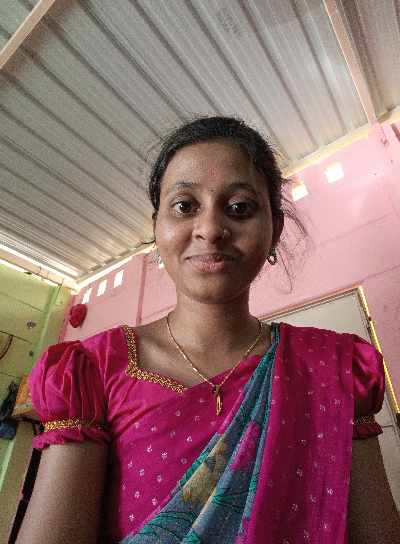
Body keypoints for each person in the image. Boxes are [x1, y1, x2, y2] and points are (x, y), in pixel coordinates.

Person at [18, 117, 399, 543]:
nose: (211, 229)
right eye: (185, 206)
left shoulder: (332, 369)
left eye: (240, 207)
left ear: (274, 229)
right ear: (157, 228)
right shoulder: (93, 372)